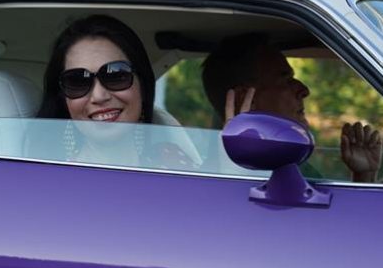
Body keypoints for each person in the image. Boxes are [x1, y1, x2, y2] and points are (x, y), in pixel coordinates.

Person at [201, 33, 382, 183]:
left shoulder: (283, 159)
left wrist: (364, 176)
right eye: (286, 79)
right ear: (246, 97)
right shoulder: (217, 180)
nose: (304, 90)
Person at [37, 14, 196, 169]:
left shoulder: (172, 163)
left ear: (142, 85)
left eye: (116, 76)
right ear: (63, 99)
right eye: (78, 81)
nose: (99, 96)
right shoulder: (49, 177)